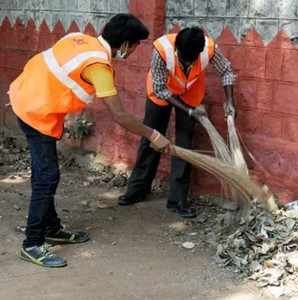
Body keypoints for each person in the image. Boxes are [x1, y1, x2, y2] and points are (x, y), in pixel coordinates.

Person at [8, 13, 170, 268]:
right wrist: (154, 135)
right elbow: (120, 116)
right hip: (35, 112)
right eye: (136, 45)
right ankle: (32, 244)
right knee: (46, 177)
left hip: (25, 97)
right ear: (126, 44)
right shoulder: (98, 67)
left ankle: (51, 228)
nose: (135, 51)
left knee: (46, 174)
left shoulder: (80, 39)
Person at [118, 27, 236, 218]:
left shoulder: (209, 48)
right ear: (177, 48)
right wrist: (188, 110)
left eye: (192, 59)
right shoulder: (161, 49)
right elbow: (159, 88)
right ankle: (137, 190)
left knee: (184, 145)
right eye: (184, 58)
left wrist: (230, 101)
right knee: (151, 139)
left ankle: (177, 200)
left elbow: (227, 71)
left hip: (190, 93)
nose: (188, 62)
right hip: (161, 93)